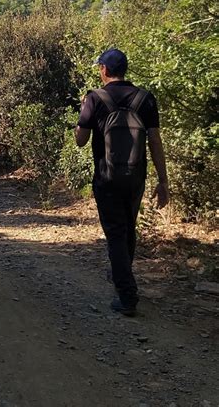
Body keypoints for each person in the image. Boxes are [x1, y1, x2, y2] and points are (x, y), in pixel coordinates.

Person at [75, 49, 169, 317]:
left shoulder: (95, 98)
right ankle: (121, 275)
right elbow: (155, 142)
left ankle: (127, 295)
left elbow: (80, 140)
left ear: (104, 69)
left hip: (106, 177)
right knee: (128, 228)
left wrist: (84, 110)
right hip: (136, 177)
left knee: (115, 233)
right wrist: (163, 182)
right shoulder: (145, 99)